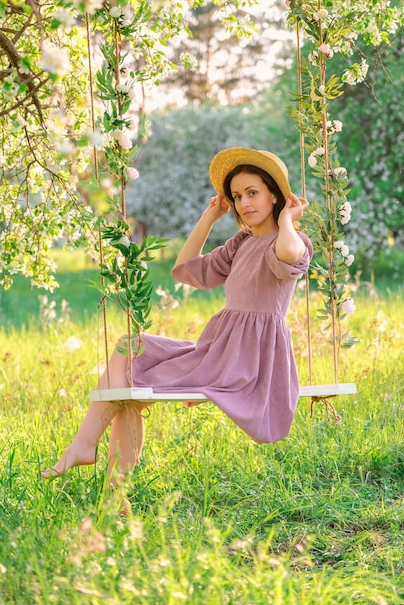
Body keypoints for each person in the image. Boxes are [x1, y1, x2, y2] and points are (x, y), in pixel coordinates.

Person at [41, 147, 312, 491]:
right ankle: (105, 478)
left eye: (253, 193)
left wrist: (288, 219)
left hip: (248, 360)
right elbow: (185, 270)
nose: (244, 203)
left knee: (130, 376)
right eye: (238, 195)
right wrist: (208, 218)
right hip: (217, 350)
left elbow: (289, 255)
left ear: (276, 196)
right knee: (131, 352)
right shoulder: (241, 243)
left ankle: (90, 456)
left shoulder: (291, 240)